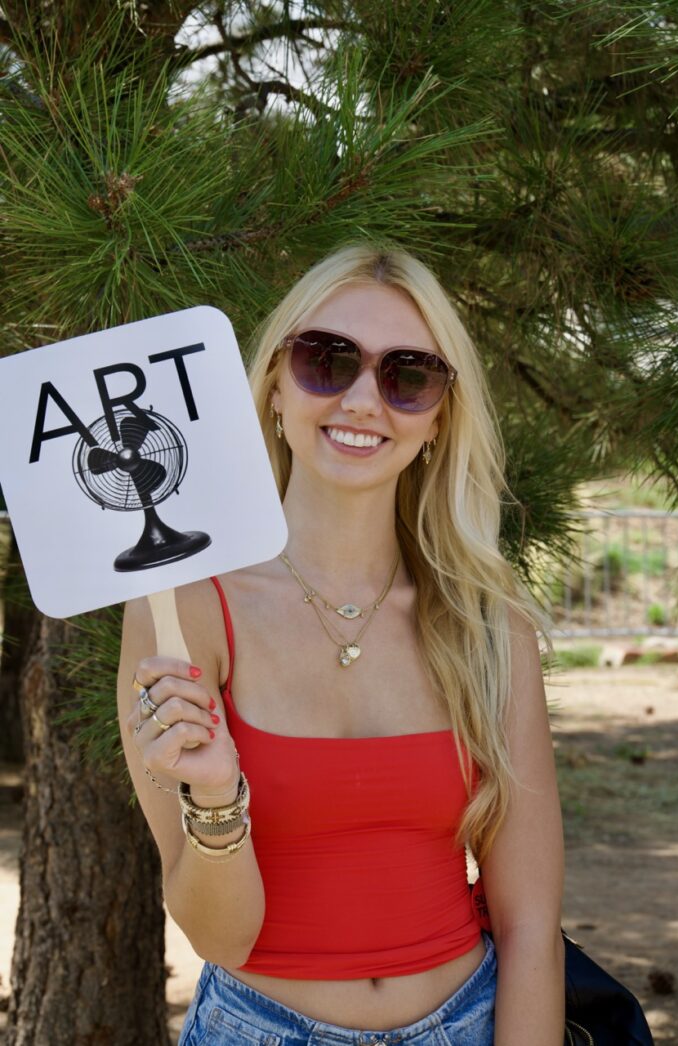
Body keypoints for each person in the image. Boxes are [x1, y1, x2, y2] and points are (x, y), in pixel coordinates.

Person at [117, 244, 565, 1045]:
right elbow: (220, 941)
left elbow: (530, 924)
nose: (364, 399)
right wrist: (217, 795)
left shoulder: (488, 624)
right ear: (276, 388)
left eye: (408, 376)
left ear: (438, 420)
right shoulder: (183, 611)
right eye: (327, 360)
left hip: (467, 1023)